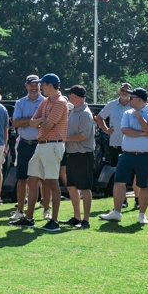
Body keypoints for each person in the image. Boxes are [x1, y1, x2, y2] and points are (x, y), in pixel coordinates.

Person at [102, 86, 148, 224]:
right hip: (127, 154)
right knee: (119, 182)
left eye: (132, 97)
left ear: (139, 99)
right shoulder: (128, 113)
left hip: (146, 155)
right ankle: (117, 212)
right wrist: (143, 133)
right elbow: (125, 130)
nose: (129, 100)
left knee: (144, 185)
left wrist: (140, 118)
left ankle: (142, 215)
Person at [30, 74, 69, 231]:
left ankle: (54, 221)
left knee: (52, 182)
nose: (40, 87)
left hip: (53, 145)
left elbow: (48, 126)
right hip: (42, 144)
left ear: (51, 85)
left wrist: (40, 122)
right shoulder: (45, 101)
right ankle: (28, 218)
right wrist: (41, 120)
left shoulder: (61, 102)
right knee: (32, 178)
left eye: (43, 85)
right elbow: (33, 122)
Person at [63, 85, 97, 228]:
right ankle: (77, 217)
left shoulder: (85, 114)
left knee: (85, 188)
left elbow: (83, 136)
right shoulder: (74, 111)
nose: (69, 97)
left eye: (70, 95)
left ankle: (86, 220)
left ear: (76, 97)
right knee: (71, 186)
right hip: (72, 154)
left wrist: (65, 139)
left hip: (83, 155)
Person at [10, 75, 43, 222]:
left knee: (42, 179)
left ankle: (46, 209)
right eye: (32, 84)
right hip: (24, 144)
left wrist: (27, 121)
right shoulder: (20, 102)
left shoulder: (45, 102)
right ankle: (20, 210)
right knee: (22, 178)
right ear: (26, 86)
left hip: (40, 144)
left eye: (37, 84)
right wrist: (34, 121)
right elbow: (15, 122)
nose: (34, 87)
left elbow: (46, 122)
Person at [96, 82, 131, 204]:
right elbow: (99, 117)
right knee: (119, 172)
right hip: (116, 144)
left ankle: (137, 199)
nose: (124, 92)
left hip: (132, 144)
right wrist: (106, 130)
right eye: (122, 90)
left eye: (127, 90)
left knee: (133, 172)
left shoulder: (134, 105)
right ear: (119, 91)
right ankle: (122, 199)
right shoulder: (112, 104)